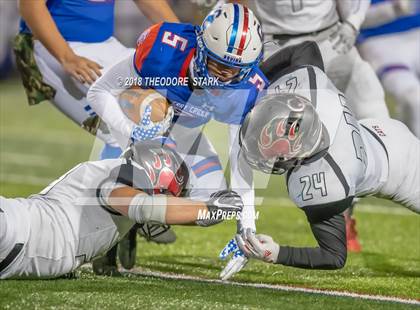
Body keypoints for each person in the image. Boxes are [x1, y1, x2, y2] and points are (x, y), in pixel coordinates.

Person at [15, 0, 180, 275]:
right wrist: (67, 57)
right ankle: (105, 234)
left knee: (162, 112)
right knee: (117, 133)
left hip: (105, 45)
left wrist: (189, 44)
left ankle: (129, 212)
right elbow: (30, 6)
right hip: (51, 45)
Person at [87, 3, 268, 251]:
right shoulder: (165, 50)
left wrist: (246, 226)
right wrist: (130, 132)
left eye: (235, 71)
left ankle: (140, 217)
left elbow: (240, 157)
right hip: (141, 119)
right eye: (217, 66)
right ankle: (118, 195)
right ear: (201, 48)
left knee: (217, 208)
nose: (224, 78)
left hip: (186, 133)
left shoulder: (248, 88)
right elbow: (99, 91)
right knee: (156, 110)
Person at [222, 59, 419, 274]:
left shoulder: (325, 181)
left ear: (302, 148)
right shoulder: (312, 92)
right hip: (378, 132)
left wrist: (275, 253)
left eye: (278, 151)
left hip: (403, 170)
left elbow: (334, 256)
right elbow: (305, 51)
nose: (267, 154)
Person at [0, 140, 243, 279]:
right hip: (15, 230)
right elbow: (145, 208)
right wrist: (210, 208)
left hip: (17, 243)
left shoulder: (119, 174)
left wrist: (210, 213)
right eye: (171, 196)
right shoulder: (123, 176)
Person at [358, 0, 420, 137]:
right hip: (380, 40)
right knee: (413, 97)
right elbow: (350, 19)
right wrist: (391, 9)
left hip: (417, 32)